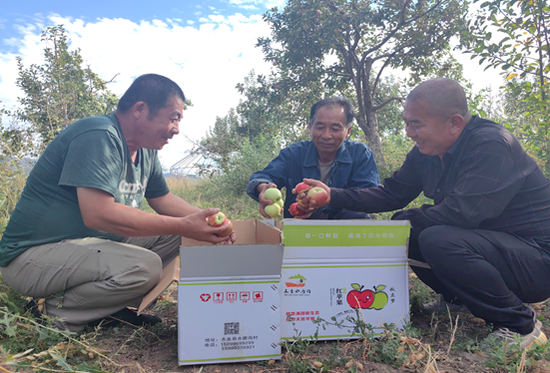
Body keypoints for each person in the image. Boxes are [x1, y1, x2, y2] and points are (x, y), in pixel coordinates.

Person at [297, 78, 550, 350]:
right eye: (407, 123)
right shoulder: (427, 151)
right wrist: (331, 195)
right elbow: (390, 193)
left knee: (436, 238)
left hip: (535, 260)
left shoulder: (491, 145)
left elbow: (463, 213)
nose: (409, 132)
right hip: (493, 247)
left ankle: (519, 325)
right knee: (412, 232)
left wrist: (403, 222)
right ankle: (457, 299)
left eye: (416, 124)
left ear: (454, 123)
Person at [0, 74, 236, 334]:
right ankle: (53, 312)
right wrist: (184, 224)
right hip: (32, 257)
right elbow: (98, 215)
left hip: (88, 247)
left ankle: (108, 308)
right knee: (145, 266)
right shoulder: (99, 135)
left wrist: (205, 221)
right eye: (173, 117)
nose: (177, 128)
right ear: (140, 109)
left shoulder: (146, 149)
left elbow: (162, 199)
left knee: (181, 236)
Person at [247, 97, 379, 219]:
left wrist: (324, 205)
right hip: (302, 233)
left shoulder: (360, 154)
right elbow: (263, 177)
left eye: (335, 128)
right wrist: (264, 188)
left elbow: (368, 197)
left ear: (348, 131)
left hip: (349, 234)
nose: (326, 135)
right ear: (310, 127)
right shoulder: (293, 154)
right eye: (320, 127)